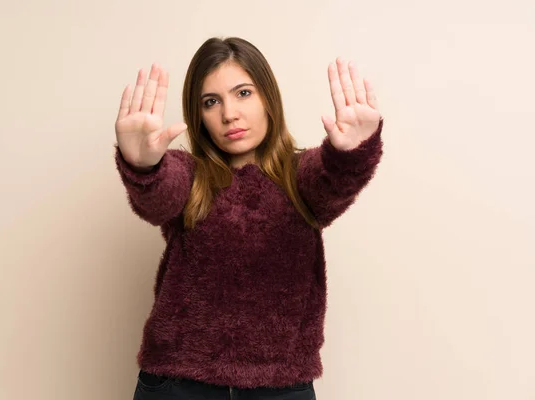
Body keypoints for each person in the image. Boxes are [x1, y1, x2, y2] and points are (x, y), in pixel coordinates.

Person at [114, 36, 384, 400]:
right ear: (200, 116)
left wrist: (351, 155)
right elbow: (159, 195)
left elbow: (332, 182)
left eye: (243, 93)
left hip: (279, 386)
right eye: (211, 102)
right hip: (178, 384)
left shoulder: (300, 175)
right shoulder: (189, 175)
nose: (229, 114)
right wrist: (143, 166)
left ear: (267, 98)